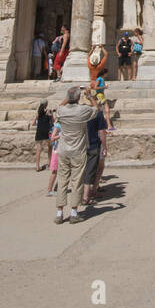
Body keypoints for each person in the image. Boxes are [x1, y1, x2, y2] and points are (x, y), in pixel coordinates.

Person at [54, 87, 95, 224]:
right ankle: (73, 212)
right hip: (78, 150)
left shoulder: (62, 110)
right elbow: (96, 109)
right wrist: (89, 96)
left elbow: (60, 106)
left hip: (64, 150)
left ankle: (59, 213)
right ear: (78, 98)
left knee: (62, 181)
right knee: (77, 182)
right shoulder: (82, 110)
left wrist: (69, 97)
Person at [83, 101, 109, 206]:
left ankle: (83, 195)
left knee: (83, 171)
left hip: (80, 146)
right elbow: (102, 132)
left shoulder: (81, 114)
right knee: (91, 171)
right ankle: (88, 194)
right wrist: (105, 146)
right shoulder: (97, 114)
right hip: (94, 145)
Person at [34, 102, 53, 170]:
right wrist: (51, 114)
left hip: (39, 132)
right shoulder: (48, 112)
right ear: (46, 104)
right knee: (50, 147)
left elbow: (33, 123)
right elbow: (52, 122)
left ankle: (37, 167)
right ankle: (50, 164)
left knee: (38, 150)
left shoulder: (38, 113)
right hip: (47, 132)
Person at [45, 116, 61, 196]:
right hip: (57, 151)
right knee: (55, 171)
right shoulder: (58, 125)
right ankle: (49, 189)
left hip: (62, 150)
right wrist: (61, 136)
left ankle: (58, 186)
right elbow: (52, 138)